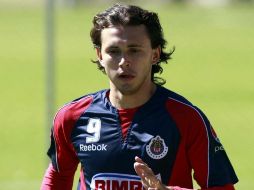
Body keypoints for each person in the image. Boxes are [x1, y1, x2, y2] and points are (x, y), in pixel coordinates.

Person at [41, 4, 238, 190]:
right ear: (100, 55)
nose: (124, 62)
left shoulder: (187, 119)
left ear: (155, 54)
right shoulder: (72, 117)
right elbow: (57, 178)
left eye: (134, 51)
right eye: (113, 51)